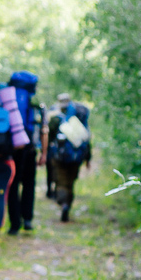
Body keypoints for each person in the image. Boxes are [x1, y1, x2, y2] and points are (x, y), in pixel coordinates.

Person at [42, 93, 92, 222]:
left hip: (59, 157)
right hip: (76, 157)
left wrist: (45, 152)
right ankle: (68, 205)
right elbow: (86, 137)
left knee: (61, 181)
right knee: (71, 182)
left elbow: (49, 136)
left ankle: (63, 204)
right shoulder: (80, 115)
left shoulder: (54, 116)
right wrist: (88, 158)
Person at [5, 73, 44, 235]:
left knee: (13, 185)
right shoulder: (36, 103)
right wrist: (44, 152)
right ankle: (27, 219)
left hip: (13, 148)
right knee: (29, 183)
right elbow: (44, 130)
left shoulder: (9, 100)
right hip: (31, 149)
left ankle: (14, 224)